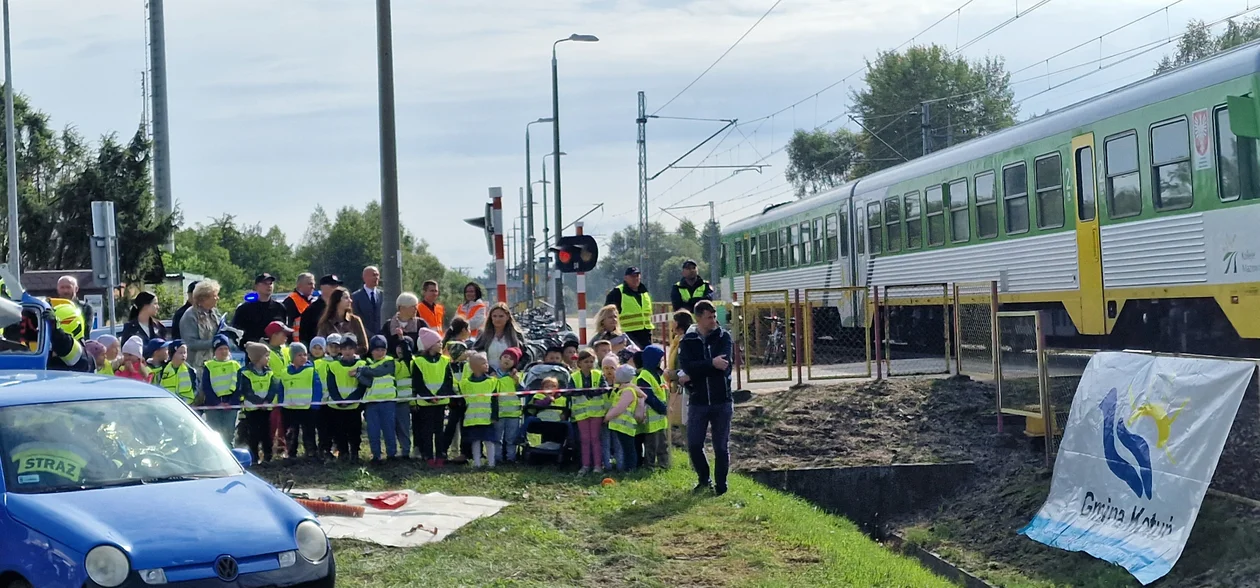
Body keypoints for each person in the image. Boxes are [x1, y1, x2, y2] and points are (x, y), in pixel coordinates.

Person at [677, 300, 734, 496]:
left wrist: (696, 372)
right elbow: (687, 366)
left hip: (722, 400)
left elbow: (724, 365)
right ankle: (703, 479)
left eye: (714, 316)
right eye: (709, 317)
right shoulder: (688, 341)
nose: (714, 320)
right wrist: (711, 363)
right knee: (693, 444)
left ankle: (721, 485)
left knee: (720, 446)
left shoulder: (723, 337)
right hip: (698, 400)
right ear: (698, 318)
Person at [411, 327, 453, 467]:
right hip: (425, 403)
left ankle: (440, 454)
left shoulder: (445, 361)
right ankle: (427, 455)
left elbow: (448, 380)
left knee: (439, 430)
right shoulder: (418, 362)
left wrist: (440, 395)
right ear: (429, 345)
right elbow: (418, 383)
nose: (441, 344)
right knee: (427, 430)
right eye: (437, 342)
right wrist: (429, 397)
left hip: (440, 402)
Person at [323, 334, 366, 462]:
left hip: (354, 406)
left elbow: (362, 386)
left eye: (350, 348)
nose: (347, 351)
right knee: (339, 431)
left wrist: (351, 400)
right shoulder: (333, 366)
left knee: (355, 431)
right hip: (337, 406)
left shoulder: (362, 364)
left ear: (355, 349)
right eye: (345, 348)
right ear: (341, 350)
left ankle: (354, 452)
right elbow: (331, 385)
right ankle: (343, 452)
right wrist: (339, 400)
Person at [239, 342, 283, 465]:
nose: (268, 359)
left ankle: (268, 456)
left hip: (266, 409)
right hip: (252, 410)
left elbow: (273, 387)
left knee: (266, 433)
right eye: (266, 356)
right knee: (253, 435)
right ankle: (253, 457)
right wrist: (259, 402)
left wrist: (267, 401)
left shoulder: (269, 372)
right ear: (257, 358)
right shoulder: (245, 373)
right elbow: (247, 391)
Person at [279, 341, 323, 462]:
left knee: (309, 432)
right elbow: (282, 389)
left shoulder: (311, 371)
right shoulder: (285, 372)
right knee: (291, 433)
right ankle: (291, 453)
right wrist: (281, 404)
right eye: (299, 355)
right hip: (289, 408)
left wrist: (315, 404)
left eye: (305, 354)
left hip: (307, 409)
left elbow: (317, 388)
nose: (303, 357)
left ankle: (311, 452)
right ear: (292, 357)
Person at [359, 334, 398, 465]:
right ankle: (376, 455)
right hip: (372, 403)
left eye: (382, 349)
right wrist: (359, 375)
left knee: (389, 430)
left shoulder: (389, 361)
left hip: (388, 402)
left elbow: (377, 372)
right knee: (373, 431)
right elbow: (367, 382)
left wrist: (360, 370)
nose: (380, 352)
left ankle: (391, 454)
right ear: (372, 351)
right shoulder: (368, 364)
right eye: (377, 349)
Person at [199, 334, 242, 444]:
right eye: (220, 349)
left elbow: (239, 386)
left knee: (229, 435)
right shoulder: (209, 366)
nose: (223, 351)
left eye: (226, 348)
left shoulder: (235, 365)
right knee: (214, 435)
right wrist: (217, 403)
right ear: (215, 351)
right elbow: (206, 387)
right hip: (214, 406)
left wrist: (230, 402)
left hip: (231, 405)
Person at [605, 364, 648, 472]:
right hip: (622, 426)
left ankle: (630, 470)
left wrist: (607, 417)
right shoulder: (625, 389)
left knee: (628, 449)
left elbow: (620, 407)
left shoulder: (628, 391)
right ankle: (627, 468)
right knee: (626, 448)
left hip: (624, 426)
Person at [460, 351, 498, 469]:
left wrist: (495, 416)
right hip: (472, 419)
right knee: (475, 441)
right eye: (483, 363)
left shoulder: (492, 382)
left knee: (489, 441)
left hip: (487, 419)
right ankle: (477, 463)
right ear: (474, 366)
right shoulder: (465, 383)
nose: (487, 365)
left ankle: (491, 463)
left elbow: (494, 401)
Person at [635, 344, 671, 470]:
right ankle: (649, 465)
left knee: (663, 443)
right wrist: (662, 407)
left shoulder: (658, 374)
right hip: (651, 417)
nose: (660, 362)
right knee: (651, 444)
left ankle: (664, 465)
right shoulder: (644, 376)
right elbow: (648, 396)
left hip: (660, 418)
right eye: (659, 359)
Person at [570, 349, 605, 475]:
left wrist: (593, 391)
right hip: (581, 413)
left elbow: (603, 388)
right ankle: (585, 465)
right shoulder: (574, 377)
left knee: (595, 438)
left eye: (591, 361)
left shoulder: (598, 374)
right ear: (579, 363)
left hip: (596, 413)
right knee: (584, 439)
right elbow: (570, 391)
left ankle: (597, 465)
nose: (589, 364)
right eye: (586, 362)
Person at [604, 267, 653, 350]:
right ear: (625, 278)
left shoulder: (644, 292)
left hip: (645, 335)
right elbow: (607, 313)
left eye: (637, 276)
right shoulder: (618, 292)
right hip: (627, 335)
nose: (636, 278)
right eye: (632, 276)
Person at [179, 280, 223, 370]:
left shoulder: (215, 313)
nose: (217, 298)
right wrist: (214, 343)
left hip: (214, 362)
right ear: (204, 298)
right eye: (214, 296)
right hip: (197, 365)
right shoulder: (190, 315)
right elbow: (190, 343)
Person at [232, 273, 287, 345]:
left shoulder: (280, 308)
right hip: (253, 351)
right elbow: (235, 332)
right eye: (265, 283)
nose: (269, 286)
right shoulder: (244, 309)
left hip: (275, 351)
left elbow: (284, 331)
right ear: (256, 286)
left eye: (270, 283)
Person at [317, 287, 370, 355]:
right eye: (346, 298)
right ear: (337, 300)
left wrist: (348, 351)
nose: (350, 301)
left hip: (352, 362)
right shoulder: (326, 323)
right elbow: (319, 345)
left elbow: (364, 346)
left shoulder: (355, 320)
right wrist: (333, 350)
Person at [495, 347, 523, 464]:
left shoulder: (517, 376)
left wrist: (517, 381)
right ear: (500, 358)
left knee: (511, 438)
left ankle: (511, 458)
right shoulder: (493, 376)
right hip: (499, 413)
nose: (507, 360)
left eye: (511, 359)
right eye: (505, 356)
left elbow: (523, 391)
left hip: (513, 413)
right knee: (497, 438)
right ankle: (497, 458)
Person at [392, 336, 416, 460]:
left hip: (405, 401)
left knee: (404, 427)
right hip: (393, 400)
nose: (399, 350)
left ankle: (406, 451)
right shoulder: (393, 362)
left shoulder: (412, 362)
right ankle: (394, 451)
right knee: (394, 428)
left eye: (403, 347)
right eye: (398, 346)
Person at [299, 274, 343, 344]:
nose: (336, 288)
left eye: (337, 285)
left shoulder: (341, 307)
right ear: (322, 287)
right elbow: (304, 335)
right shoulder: (312, 310)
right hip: (318, 350)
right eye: (332, 285)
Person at [352, 266, 384, 339]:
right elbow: (355, 318)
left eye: (377, 275)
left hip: (382, 337)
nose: (376, 278)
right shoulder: (355, 297)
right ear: (364, 277)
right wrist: (369, 335)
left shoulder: (383, 296)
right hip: (364, 337)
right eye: (373, 275)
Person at [284, 273, 317, 341]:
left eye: (314, 284)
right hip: (297, 342)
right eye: (309, 284)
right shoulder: (290, 301)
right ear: (299, 285)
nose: (313, 286)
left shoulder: (313, 301)